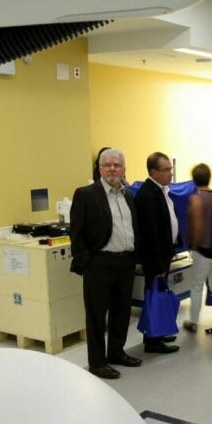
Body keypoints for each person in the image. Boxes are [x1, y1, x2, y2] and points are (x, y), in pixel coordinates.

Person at [68, 148, 139, 381]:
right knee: (97, 316)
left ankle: (116, 352)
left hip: (125, 263)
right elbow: (76, 234)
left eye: (117, 165)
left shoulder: (128, 195)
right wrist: (87, 262)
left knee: (121, 312)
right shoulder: (86, 194)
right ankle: (97, 363)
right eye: (107, 165)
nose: (112, 169)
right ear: (99, 168)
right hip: (99, 265)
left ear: (124, 169)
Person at [133, 151, 181, 355]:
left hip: (164, 254)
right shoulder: (147, 194)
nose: (171, 173)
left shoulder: (161, 190)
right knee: (153, 295)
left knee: (159, 294)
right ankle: (152, 340)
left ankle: (158, 331)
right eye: (166, 169)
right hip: (156, 257)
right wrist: (158, 263)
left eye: (171, 168)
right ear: (153, 171)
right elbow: (150, 233)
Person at [183, 163, 212, 335]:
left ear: (194, 179)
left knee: (197, 286)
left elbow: (196, 226)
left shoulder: (196, 198)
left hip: (203, 250)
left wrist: (193, 246)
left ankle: (193, 322)